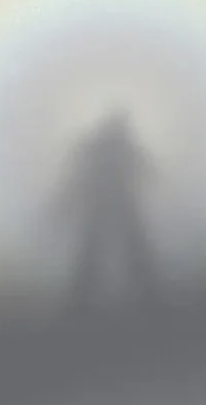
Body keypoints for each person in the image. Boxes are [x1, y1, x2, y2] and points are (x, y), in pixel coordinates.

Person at [51, 109, 159, 312]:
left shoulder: (100, 146)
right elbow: (145, 166)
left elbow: (77, 175)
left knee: (108, 249)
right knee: (108, 249)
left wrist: (62, 202)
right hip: (112, 204)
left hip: (111, 204)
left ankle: (80, 299)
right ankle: (149, 296)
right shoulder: (111, 146)